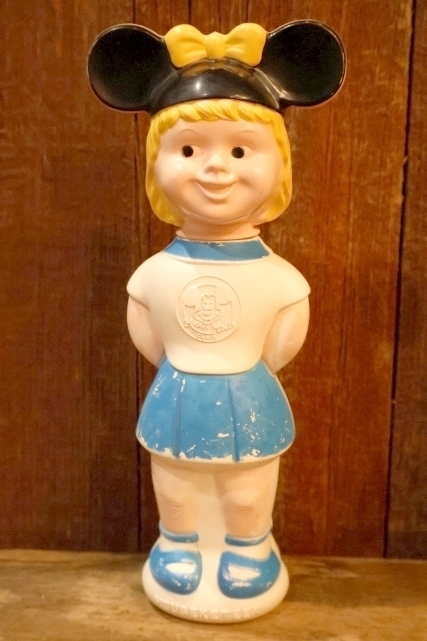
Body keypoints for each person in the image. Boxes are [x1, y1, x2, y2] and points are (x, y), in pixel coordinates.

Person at [88, 21, 345, 619]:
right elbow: (148, 334)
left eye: (239, 150)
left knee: (248, 486)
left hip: (250, 393)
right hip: (177, 393)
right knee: (174, 482)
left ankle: (249, 548)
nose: (215, 169)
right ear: (156, 165)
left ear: (279, 164)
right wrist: (192, 363)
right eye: (188, 151)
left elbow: (282, 343)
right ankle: (177, 544)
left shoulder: (279, 278)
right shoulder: (154, 274)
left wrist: (236, 364)